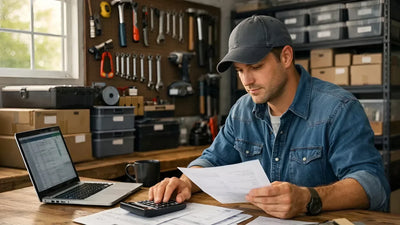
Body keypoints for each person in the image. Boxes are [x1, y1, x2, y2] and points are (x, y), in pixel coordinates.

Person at [149, 15, 390, 219]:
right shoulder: (242, 110)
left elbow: (373, 185)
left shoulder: (338, 108)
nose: (246, 81)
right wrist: (185, 182)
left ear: (285, 57)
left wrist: (308, 198)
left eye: (255, 67)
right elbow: (213, 160)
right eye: (240, 71)